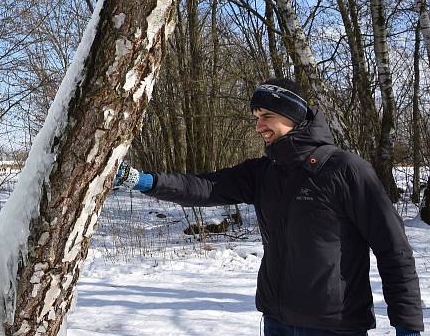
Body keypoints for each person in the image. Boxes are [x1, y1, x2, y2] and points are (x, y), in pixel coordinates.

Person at [114, 78, 424, 336]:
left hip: (333, 325)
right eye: (256, 117)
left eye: (266, 116)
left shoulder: (345, 169)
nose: (258, 126)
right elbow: (204, 187)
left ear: (292, 116)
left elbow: (393, 250)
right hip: (276, 321)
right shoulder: (265, 172)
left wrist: (407, 325)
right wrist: (142, 181)